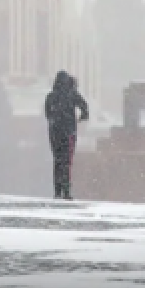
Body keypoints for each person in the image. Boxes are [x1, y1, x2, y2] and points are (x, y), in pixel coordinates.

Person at [44, 70, 89, 199]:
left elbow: (47, 114)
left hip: (54, 133)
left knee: (57, 161)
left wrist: (55, 121)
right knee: (67, 162)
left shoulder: (51, 96)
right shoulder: (72, 94)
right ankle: (66, 191)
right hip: (69, 132)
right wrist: (82, 116)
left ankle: (57, 191)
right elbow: (84, 106)